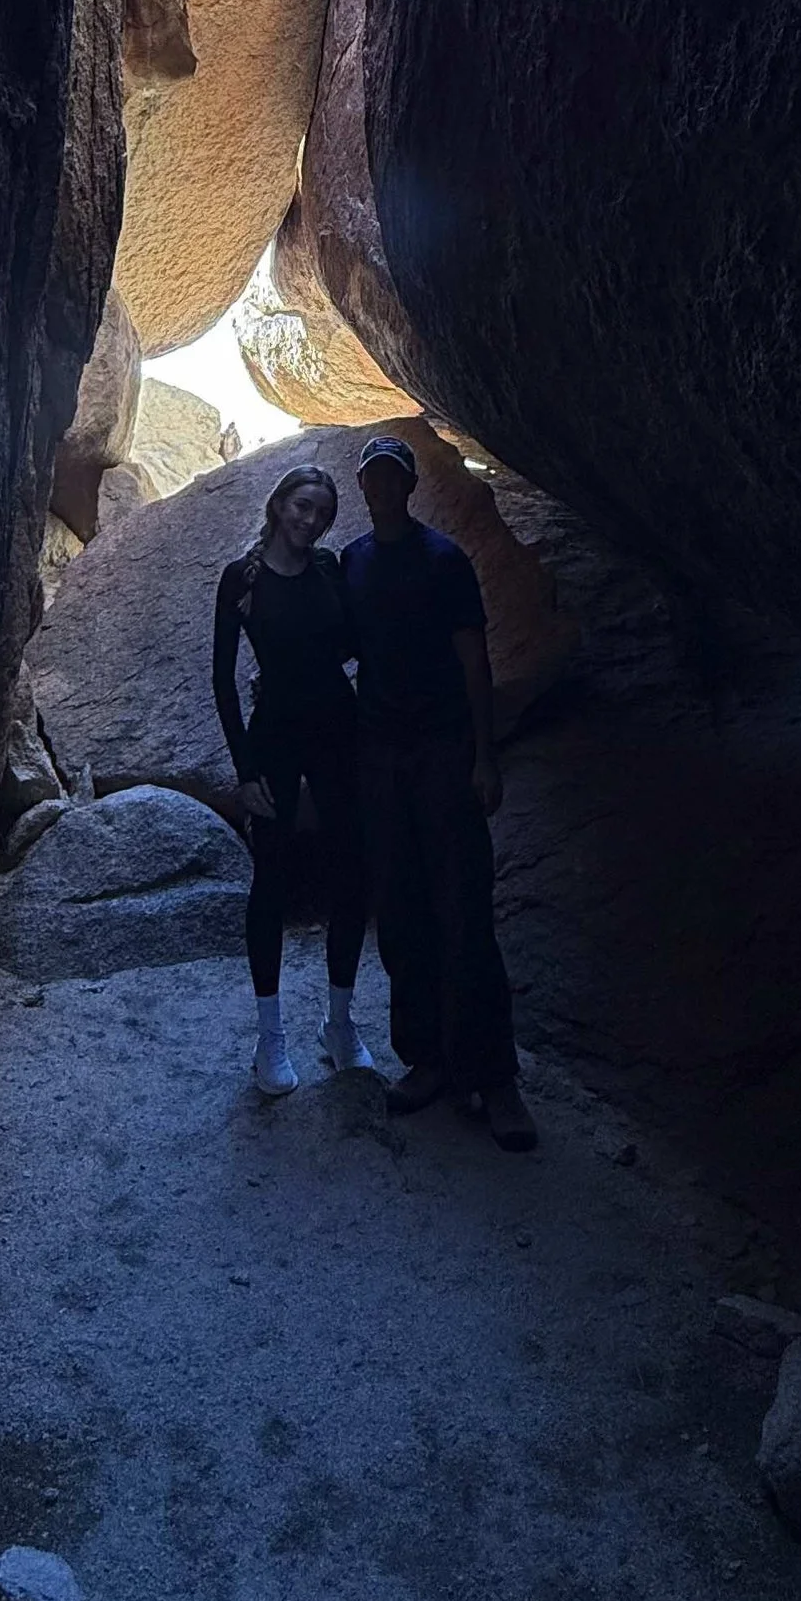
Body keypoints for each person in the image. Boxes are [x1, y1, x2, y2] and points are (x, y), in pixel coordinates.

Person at [340, 432, 537, 1151]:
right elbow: (337, 646)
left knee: (464, 908)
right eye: (373, 477)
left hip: (443, 752)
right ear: (363, 487)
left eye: (393, 476)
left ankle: (494, 1076)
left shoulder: (444, 560)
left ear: (409, 485)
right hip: (381, 755)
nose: (383, 487)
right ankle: (427, 1058)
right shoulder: (353, 563)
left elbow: (474, 663)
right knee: (400, 908)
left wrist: (486, 756)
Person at [211, 462, 377, 1096]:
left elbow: (353, 643)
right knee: (271, 880)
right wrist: (244, 770)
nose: (312, 520)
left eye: (323, 513)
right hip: (275, 736)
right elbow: (223, 680)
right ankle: (270, 1037)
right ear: (279, 505)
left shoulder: (329, 568)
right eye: (303, 506)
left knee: (351, 873)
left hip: (337, 731)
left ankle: (339, 1023)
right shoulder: (243, 579)